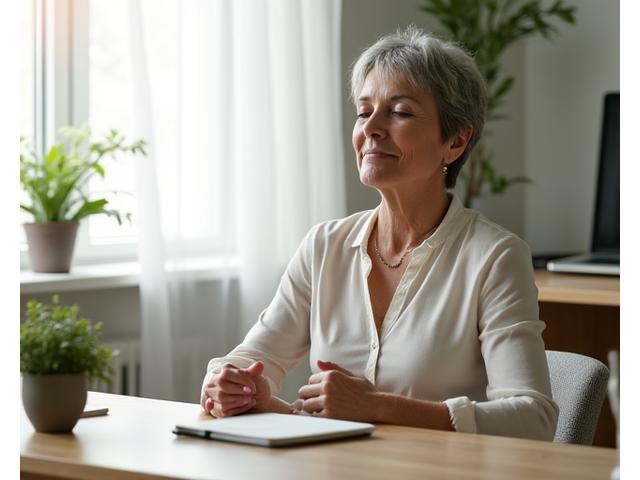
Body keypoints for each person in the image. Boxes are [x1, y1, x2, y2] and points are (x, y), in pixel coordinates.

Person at [200, 26, 559, 440]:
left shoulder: (495, 256)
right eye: (364, 111)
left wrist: (376, 406)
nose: (371, 127)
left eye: (400, 112)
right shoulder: (324, 246)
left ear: (456, 142)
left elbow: (533, 420)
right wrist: (228, 384)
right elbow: (250, 359)